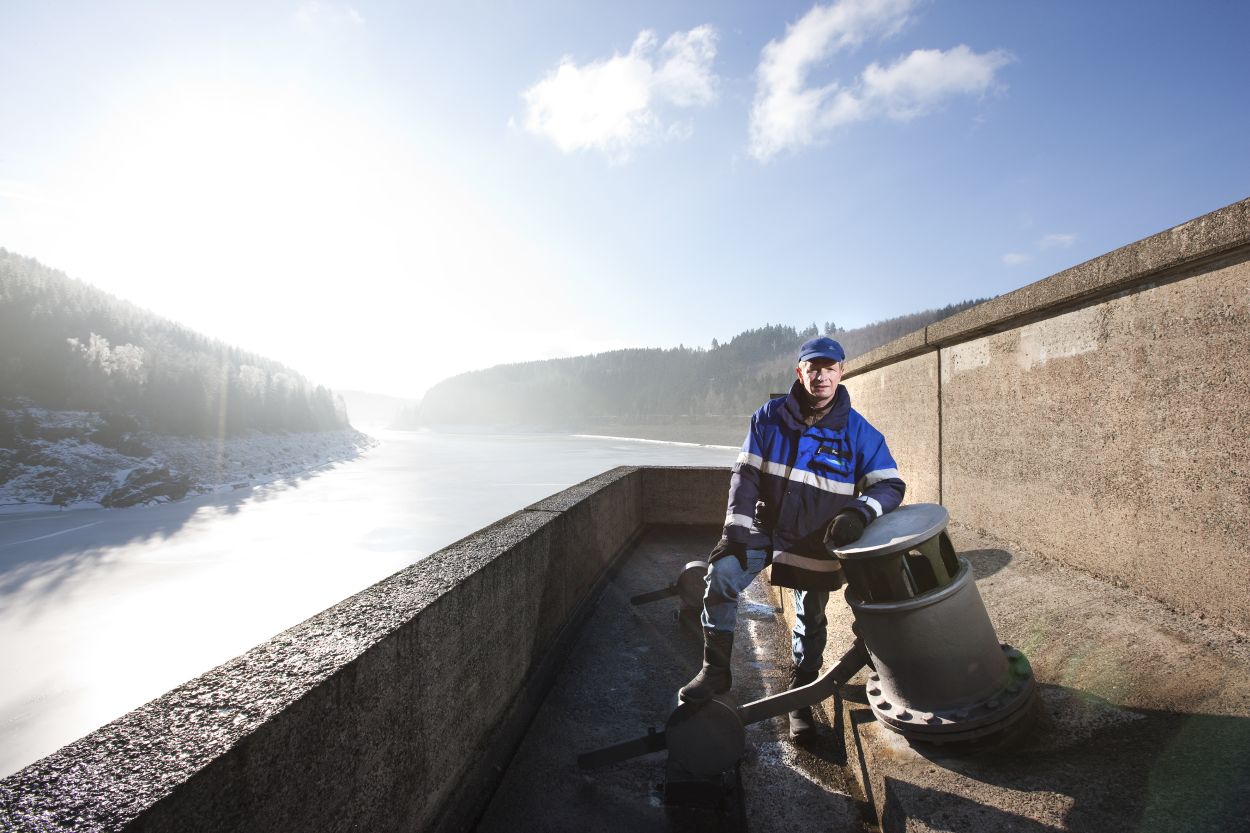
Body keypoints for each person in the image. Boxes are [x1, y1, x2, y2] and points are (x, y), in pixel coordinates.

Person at [679, 335, 906, 738]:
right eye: (813, 368)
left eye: (829, 368)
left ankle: (800, 697)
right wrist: (735, 531)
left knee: (811, 618)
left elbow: (889, 484)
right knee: (721, 576)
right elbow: (745, 475)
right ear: (799, 372)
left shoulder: (858, 432)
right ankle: (715, 673)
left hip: (815, 541)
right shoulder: (768, 417)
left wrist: (858, 512)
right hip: (766, 528)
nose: (821, 376)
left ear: (842, 372)